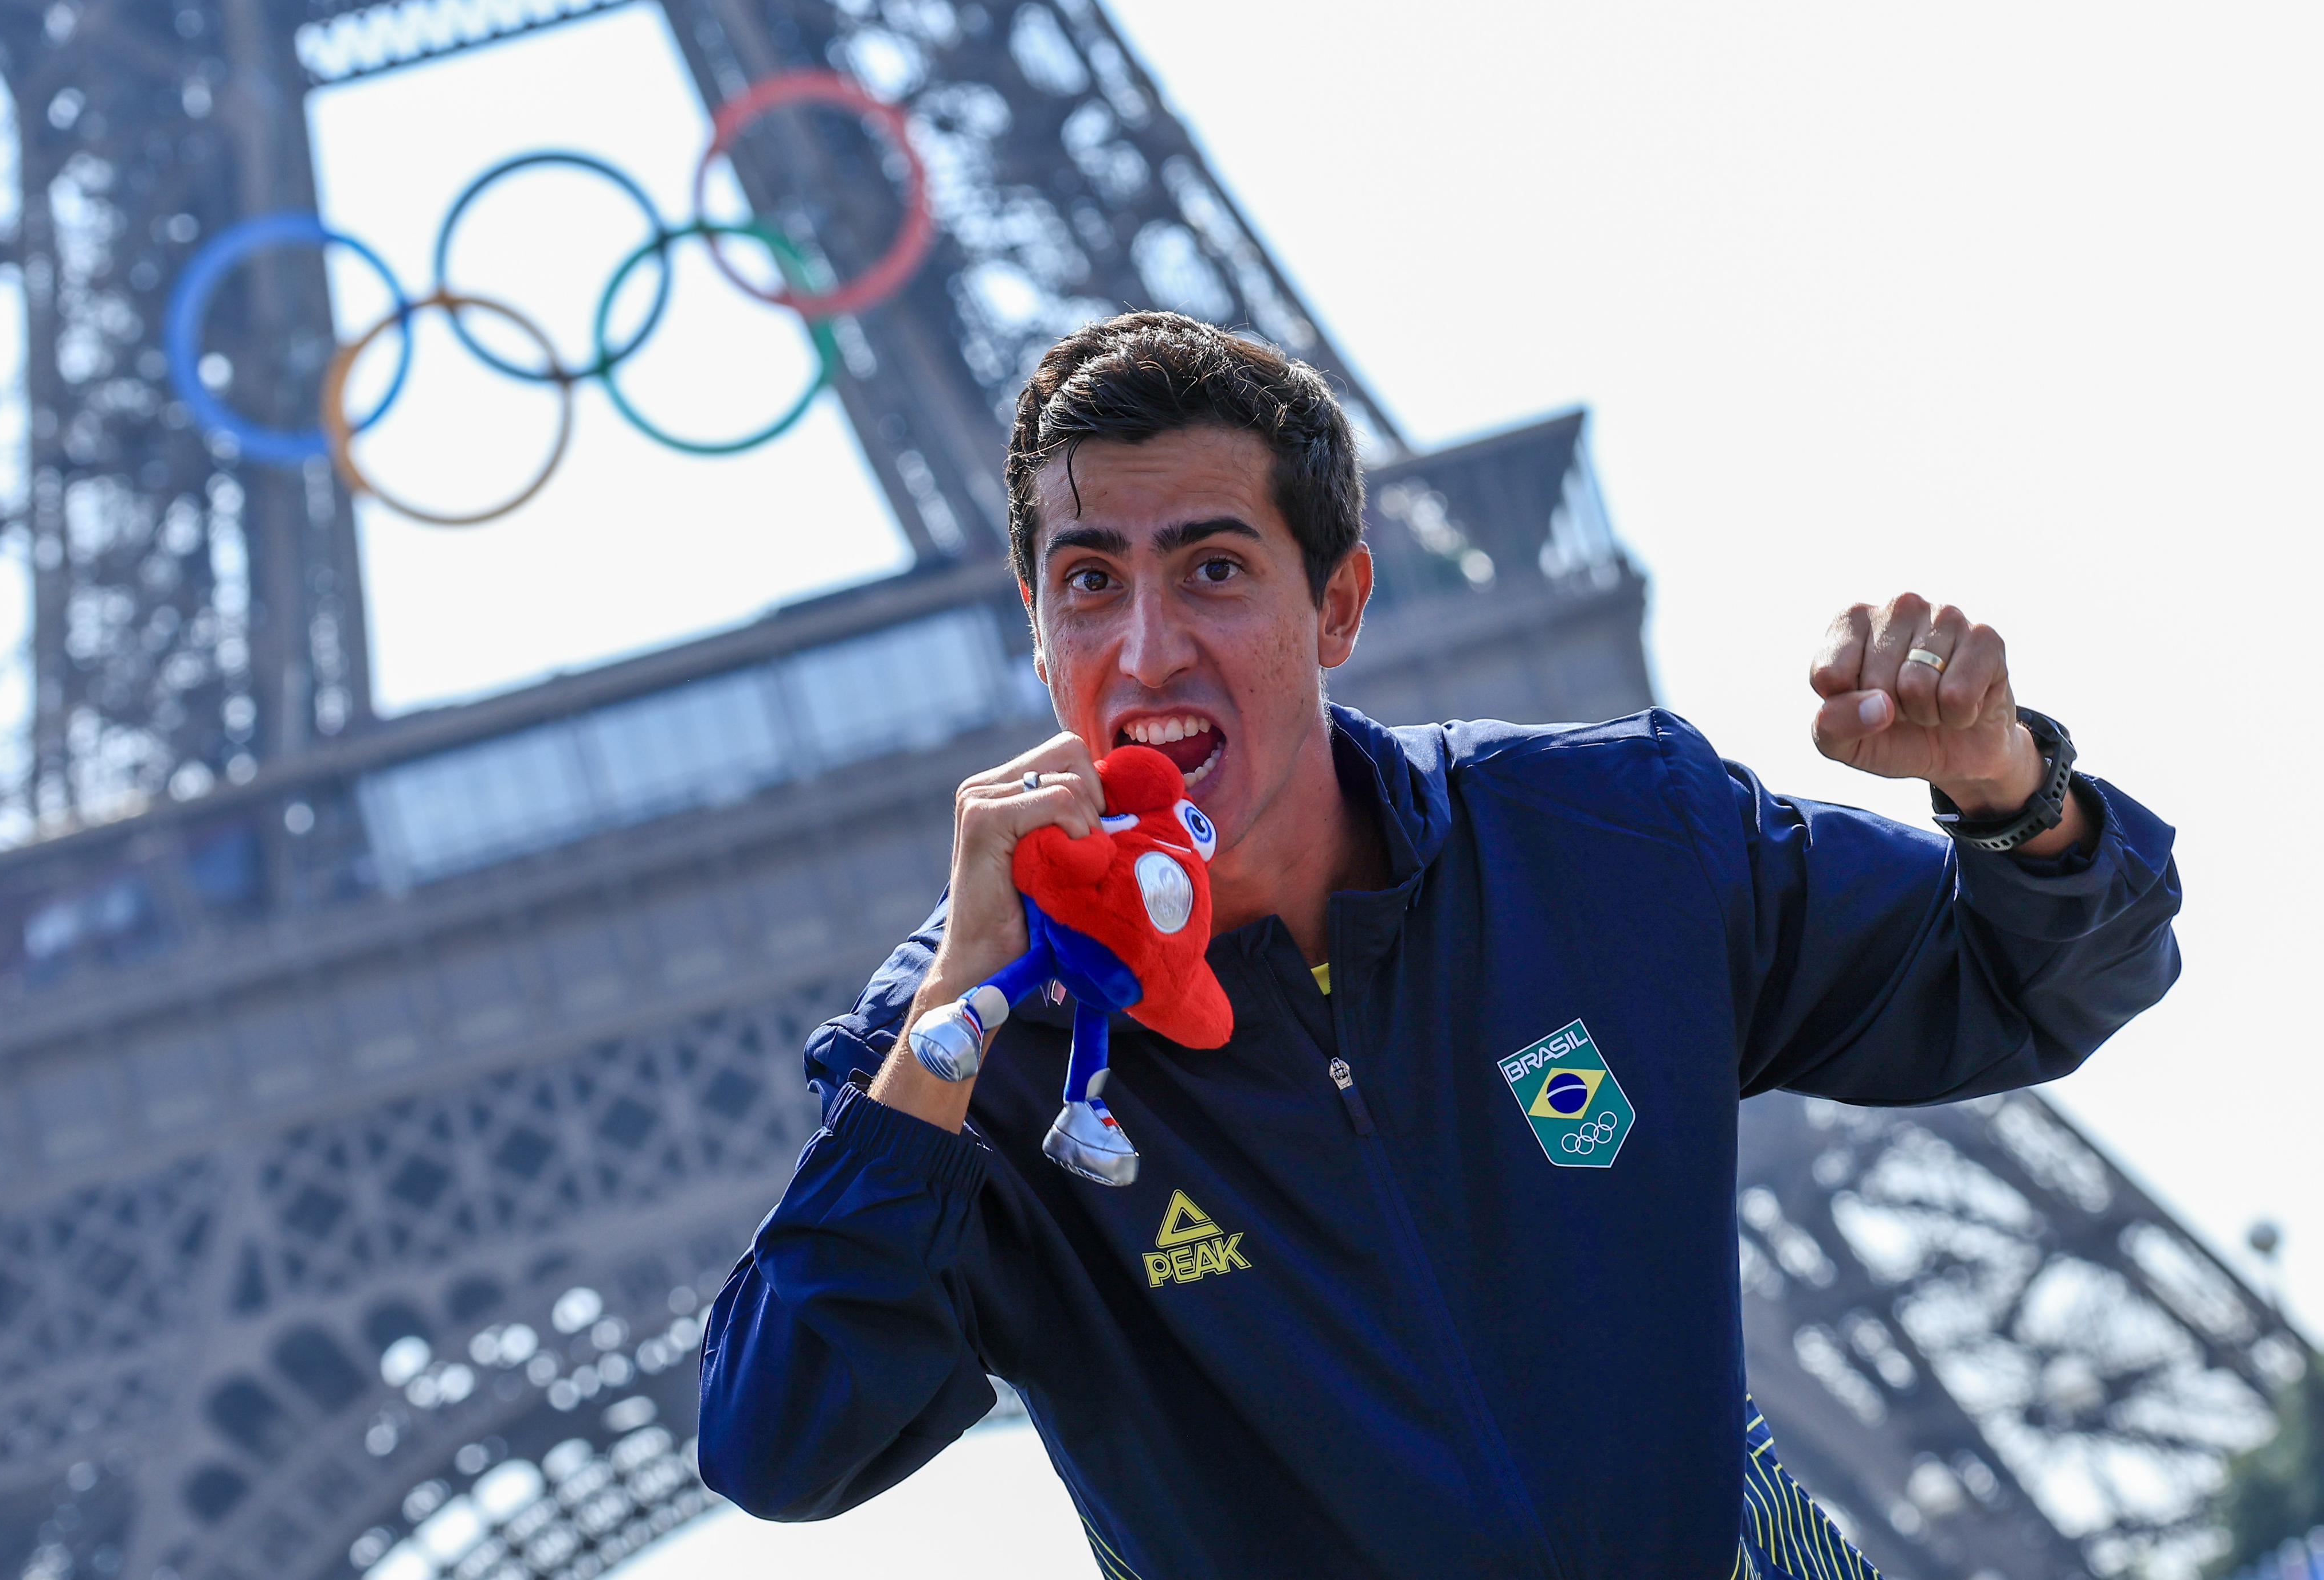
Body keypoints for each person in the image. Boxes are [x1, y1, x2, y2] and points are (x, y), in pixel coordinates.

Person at [695, 311, 2182, 1578]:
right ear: (1036, 626)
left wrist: (2008, 788)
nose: (1145, 647)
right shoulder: (983, 1035)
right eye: (1091, 582)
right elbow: (779, 1445)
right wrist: (959, 1002)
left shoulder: (1611, 836)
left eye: (1213, 568)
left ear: (1339, 602)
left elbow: (2032, 983)